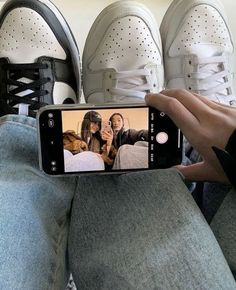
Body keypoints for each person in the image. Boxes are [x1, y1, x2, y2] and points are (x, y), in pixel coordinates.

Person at [1, 1, 236, 290]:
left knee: (122, 164)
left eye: (115, 120)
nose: (110, 126)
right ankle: (196, 140)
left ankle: (19, 138)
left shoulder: (125, 136)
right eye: (108, 120)